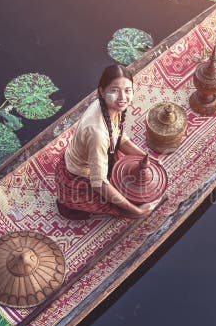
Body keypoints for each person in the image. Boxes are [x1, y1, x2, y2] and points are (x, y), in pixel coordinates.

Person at [56, 64, 162, 219]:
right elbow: (98, 183)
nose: (122, 98)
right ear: (102, 91)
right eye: (114, 90)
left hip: (101, 156)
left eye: (128, 90)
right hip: (81, 179)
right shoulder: (97, 132)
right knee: (129, 203)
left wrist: (148, 159)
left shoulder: (109, 106)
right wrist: (135, 211)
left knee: (134, 175)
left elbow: (119, 138)